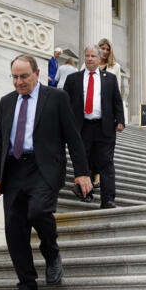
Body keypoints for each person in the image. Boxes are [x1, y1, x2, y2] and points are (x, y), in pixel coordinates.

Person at [0, 55, 92, 290]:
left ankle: (51, 251)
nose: (19, 82)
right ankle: (27, 286)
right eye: (14, 76)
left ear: (37, 73)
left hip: (43, 167)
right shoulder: (7, 102)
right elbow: (2, 141)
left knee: (37, 212)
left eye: (24, 76)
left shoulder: (56, 98)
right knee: (14, 229)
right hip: (13, 170)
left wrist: (82, 173)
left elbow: (73, 137)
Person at [61, 45, 126, 209]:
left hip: (104, 127)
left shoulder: (110, 79)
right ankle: (86, 193)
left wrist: (120, 120)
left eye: (93, 56)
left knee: (106, 163)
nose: (90, 59)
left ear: (99, 59)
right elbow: (65, 104)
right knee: (85, 160)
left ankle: (108, 199)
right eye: (87, 56)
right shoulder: (73, 79)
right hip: (82, 127)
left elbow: (117, 101)